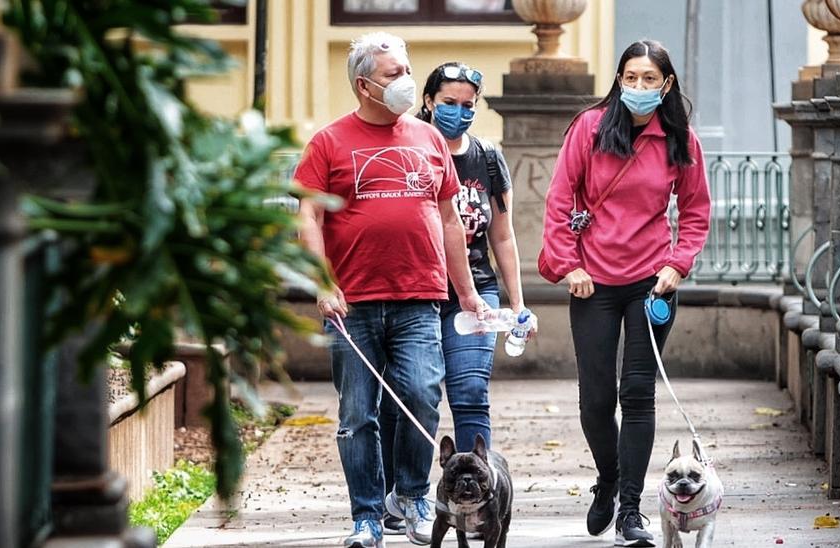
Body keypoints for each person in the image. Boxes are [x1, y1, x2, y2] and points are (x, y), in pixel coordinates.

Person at [294, 32, 489, 548]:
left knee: (422, 398)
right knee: (358, 415)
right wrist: (322, 282)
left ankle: (413, 497)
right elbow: (308, 215)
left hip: (419, 299)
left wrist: (466, 294)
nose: (405, 81)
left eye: (406, 70)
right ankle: (366, 517)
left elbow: (450, 220)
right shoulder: (329, 142)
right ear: (363, 85)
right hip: (352, 304)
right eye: (392, 74)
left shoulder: (427, 139)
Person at [538, 39, 711, 547]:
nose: (638, 87)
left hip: (651, 282)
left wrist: (678, 264)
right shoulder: (589, 128)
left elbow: (697, 211)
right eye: (630, 78)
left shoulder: (679, 138)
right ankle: (608, 479)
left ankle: (630, 511)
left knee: (637, 394)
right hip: (591, 280)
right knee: (595, 399)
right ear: (618, 80)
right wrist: (569, 265)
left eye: (649, 79)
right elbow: (558, 199)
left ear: (667, 85)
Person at [377, 61, 536, 536]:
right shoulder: (407, 148)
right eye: (449, 103)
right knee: (409, 395)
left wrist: (517, 302)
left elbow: (502, 237)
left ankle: (474, 498)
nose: (459, 113)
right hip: (415, 289)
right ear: (427, 101)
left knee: (469, 392)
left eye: (468, 106)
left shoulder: (487, 158)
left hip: (476, 295)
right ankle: (400, 496)